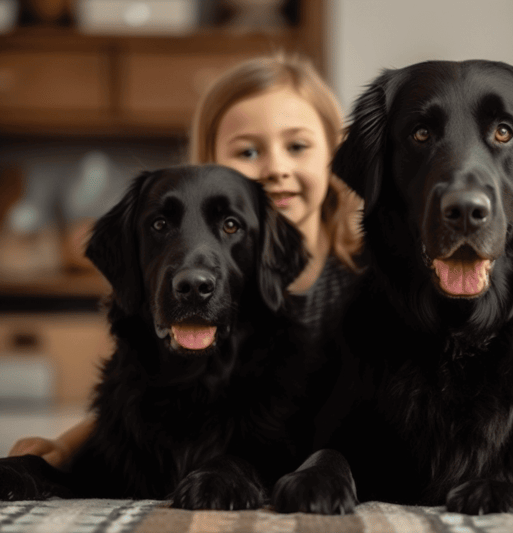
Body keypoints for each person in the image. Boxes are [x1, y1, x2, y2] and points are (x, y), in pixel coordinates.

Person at [9, 52, 363, 466]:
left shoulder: (365, 276)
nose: (276, 167)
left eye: (297, 146)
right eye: (248, 152)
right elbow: (140, 391)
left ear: (334, 153)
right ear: (208, 161)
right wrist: (66, 447)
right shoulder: (189, 276)